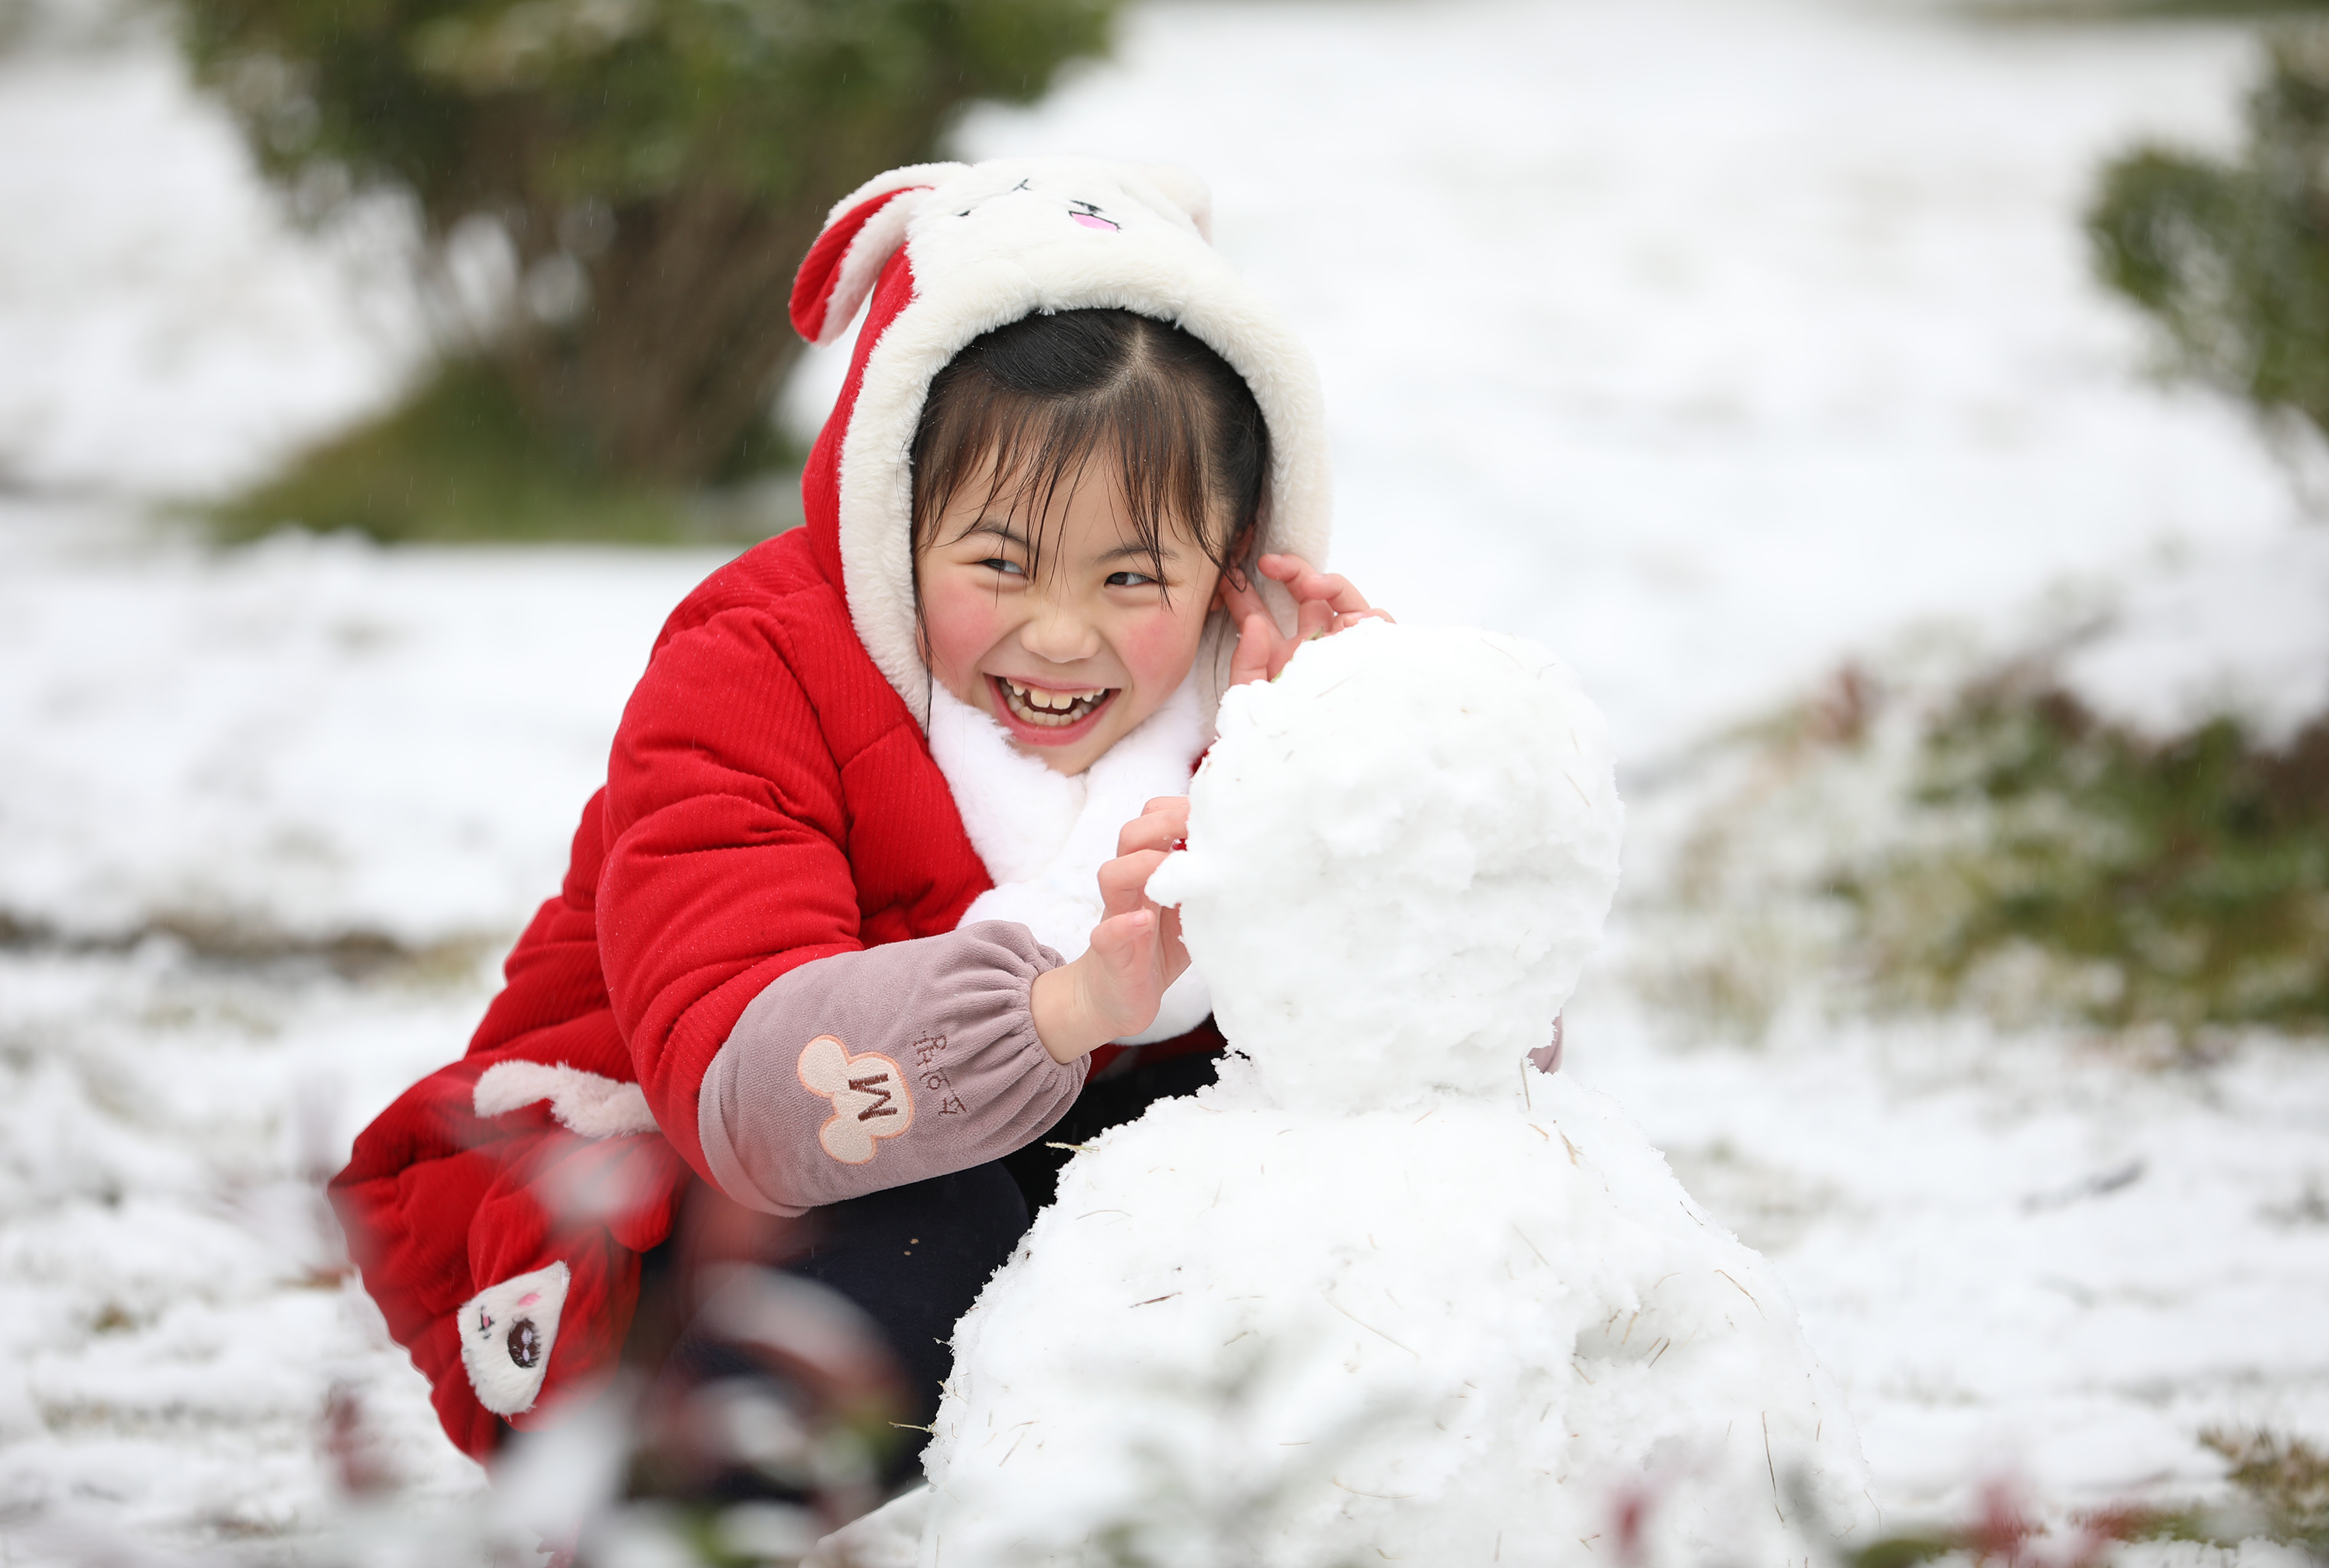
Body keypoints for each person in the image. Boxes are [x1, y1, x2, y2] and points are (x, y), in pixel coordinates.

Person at [328, 158, 1383, 1496]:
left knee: (1274, 1185)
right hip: (663, 1199)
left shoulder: (1251, 687)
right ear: (891, 512)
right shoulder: (752, 671)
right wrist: (1057, 1009)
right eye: (999, 561)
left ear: (1232, 553)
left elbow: (1450, 1060)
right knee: (927, 1245)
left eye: (1133, 575)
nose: (1060, 636)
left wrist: (1371, 790)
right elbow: (751, 1104)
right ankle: (681, 1515)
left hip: (1003, 1160)